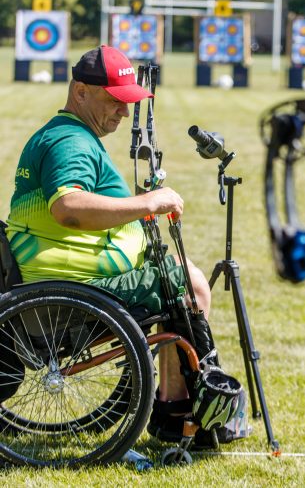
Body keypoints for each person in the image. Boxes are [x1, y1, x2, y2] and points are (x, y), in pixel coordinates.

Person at [6, 45, 216, 444]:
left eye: (128, 102)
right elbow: (68, 207)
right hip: (73, 290)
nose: (122, 111)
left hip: (69, 279)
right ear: (81, 92)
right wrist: (147, 202)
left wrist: (134, 205)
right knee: (190, 283)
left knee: (181, 279)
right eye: (115, 101)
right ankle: (177, 414)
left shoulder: (68, 133)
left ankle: (175, 411)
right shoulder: (71, 141)